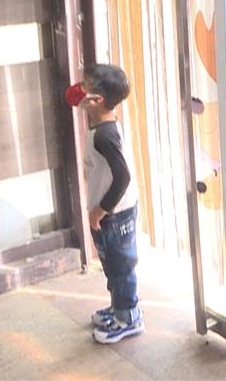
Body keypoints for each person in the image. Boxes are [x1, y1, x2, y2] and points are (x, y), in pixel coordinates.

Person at [65, 64, 143, 344]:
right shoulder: (100, 122)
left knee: (121, 266)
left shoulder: (105, 135)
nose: (77, 89)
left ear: (97, 100)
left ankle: (129, 317)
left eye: (84, 86)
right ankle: (118, 307)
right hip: (109, 212)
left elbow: (122, 177)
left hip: (115, 213)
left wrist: (101, 210)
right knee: (112, 265)